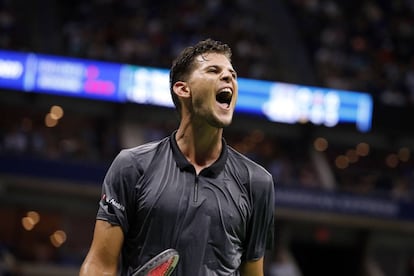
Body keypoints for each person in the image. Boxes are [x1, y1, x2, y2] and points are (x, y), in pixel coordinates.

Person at [79, 38, 275, 276]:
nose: (228, 78)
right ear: (183, 89)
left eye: (232, 74)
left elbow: (253, 272)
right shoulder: (132, 166)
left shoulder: (257, 182)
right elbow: (100, 264)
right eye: (214, 70)